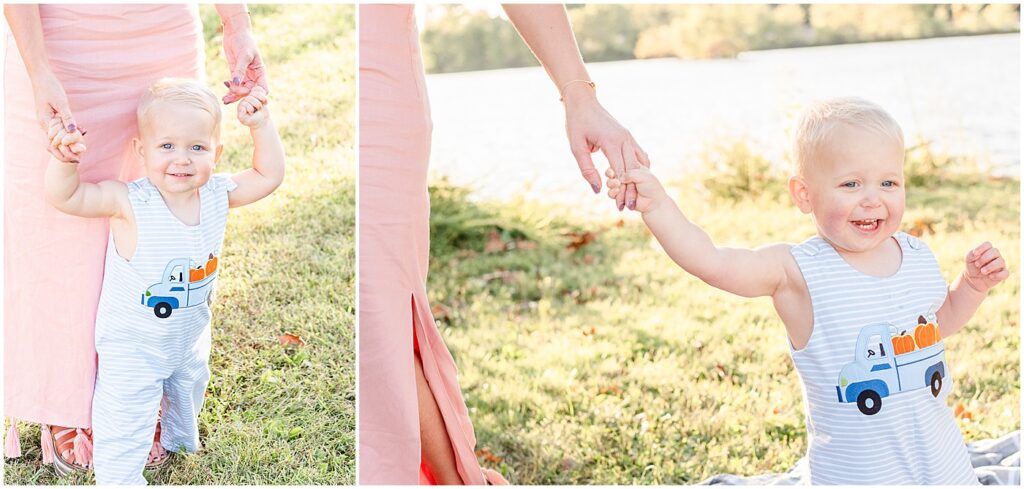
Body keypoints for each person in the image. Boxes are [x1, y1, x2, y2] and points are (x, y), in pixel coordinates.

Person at [605, 97, 1007, 484]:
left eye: (888, 182)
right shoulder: (797, 271)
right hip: (856, 477)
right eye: (850, 184)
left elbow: (938, 325)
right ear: (804, 194)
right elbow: (711, 261)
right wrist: (657, 207)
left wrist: (971, 286)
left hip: (944, 467)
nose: (873, 199)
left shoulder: (917, 254)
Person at [359, 4, 648, 484]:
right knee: (369, 317)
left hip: (380, 88)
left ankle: (451, 480)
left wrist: (578, 93)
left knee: (380, 312)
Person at [3, 4, 266, 473]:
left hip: (159, 30)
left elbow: (264, 176)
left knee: (159, 204)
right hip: (61, 33)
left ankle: (145, 392)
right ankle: (67, 401)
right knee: (61, 227)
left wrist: (237, 24)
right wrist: (40, 71)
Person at [43, 78, 284, 484]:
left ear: (216, 153)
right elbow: (67, 198)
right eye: (167, 146)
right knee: (124, 417)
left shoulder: (216, 194)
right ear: (142, 151)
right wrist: (65, 163)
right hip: (133, 347)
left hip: (188, 337)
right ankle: (120, 477)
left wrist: (260, 125)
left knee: (188, 392)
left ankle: (177, 438)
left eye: (197, 147)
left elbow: (268, 174)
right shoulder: (129, 200)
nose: (182, 159)